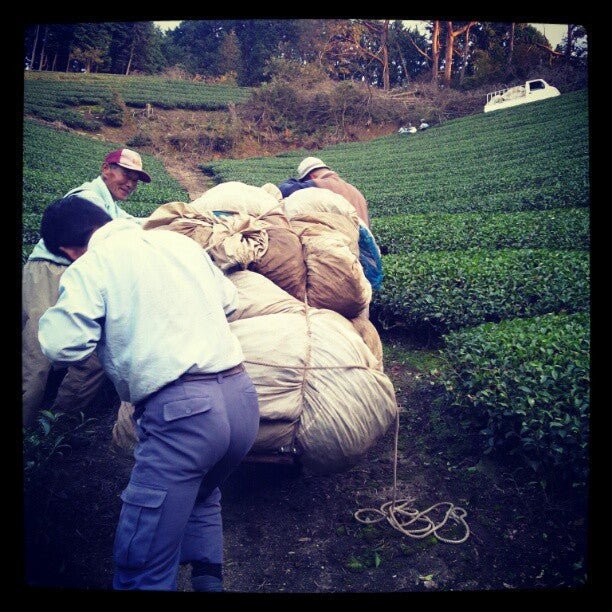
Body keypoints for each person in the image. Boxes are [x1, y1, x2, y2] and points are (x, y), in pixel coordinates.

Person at [37, 195, 260, 591]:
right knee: (202, 496)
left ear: (68, 250)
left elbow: (63, 345)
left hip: (184, 417)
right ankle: (209, 582)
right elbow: (229, 301)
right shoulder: (178, 243)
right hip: (242, 401)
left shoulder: (91, 265)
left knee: (142, 564)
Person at [22, 149, 151, 428]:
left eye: (135, 180)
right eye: (125, 174)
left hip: (78, 274)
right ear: (106, 168)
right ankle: (28, 430)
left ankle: (55, 427)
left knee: (94, 359)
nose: (130, 183)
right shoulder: (86, 198)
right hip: (50, 270)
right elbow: (118, 230)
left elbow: (131, 224)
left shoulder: (109, 204)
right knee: (37, 356)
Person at [296, 156, 370, 228]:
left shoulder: (321, 184)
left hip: (345, 239)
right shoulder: (355, 191)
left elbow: (287, 189)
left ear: (312, 177)